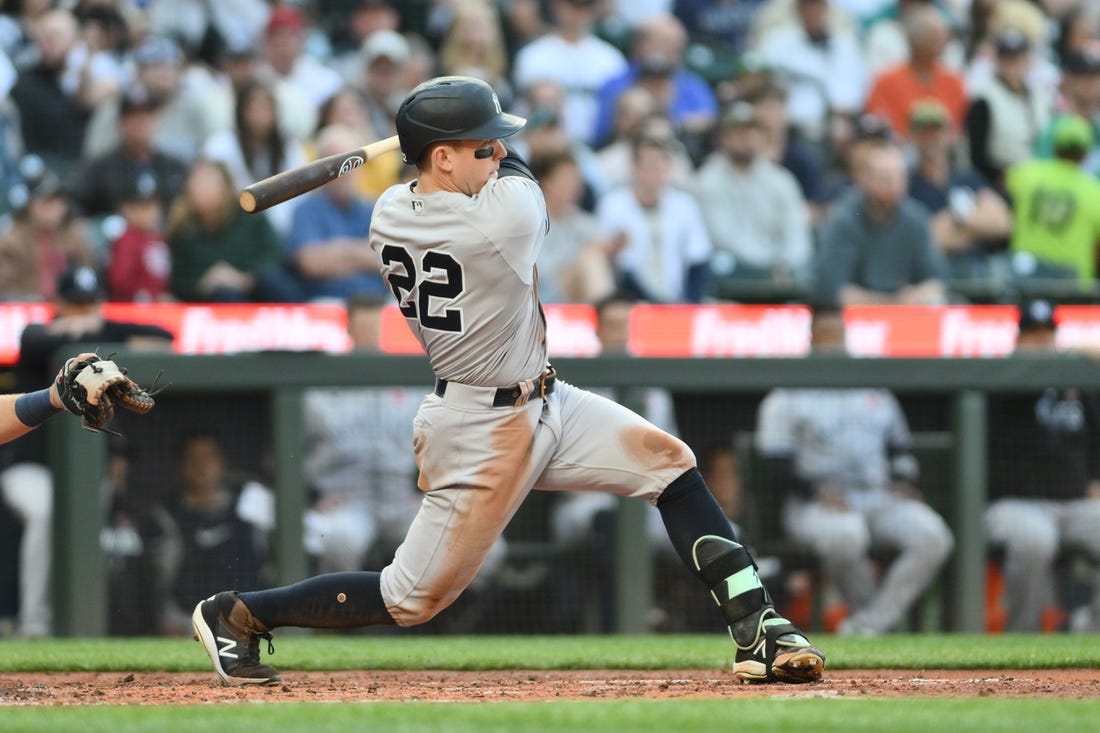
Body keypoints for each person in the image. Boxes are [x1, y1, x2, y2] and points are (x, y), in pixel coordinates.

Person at [192, 75, 825, 686]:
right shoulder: (503, 220)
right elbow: (523, 170)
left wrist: (452, 122)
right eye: (480, 146)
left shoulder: (388, 212)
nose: (496, 154)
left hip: (549, 399)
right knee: (410, 597)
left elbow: (481, 167)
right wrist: (470, 121)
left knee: (672, 465)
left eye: (494, 144)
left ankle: (760, 629)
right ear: (441, 158)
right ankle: (240, 613)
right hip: (479, 428)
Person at [755, 307, 954, 636]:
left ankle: (870, 624)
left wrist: (903, 479)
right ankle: (871, 624)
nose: (834, 343)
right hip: (815, 501)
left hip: (877, 495)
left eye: (839, 334)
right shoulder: (788, 392)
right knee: (846, 535)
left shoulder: (872, 388)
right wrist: (815, 492)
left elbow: (900, 449)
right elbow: (774, 463)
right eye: (826, 335)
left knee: (934, 536)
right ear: (811, 339)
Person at [1, 265, 173, 637]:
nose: (81, 313)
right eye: (74, 304)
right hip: (30, 466)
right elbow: (36, 343)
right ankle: (34, 623)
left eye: (89, 303)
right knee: (46, 510)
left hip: (85, 475)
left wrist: (99, 329)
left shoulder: (105, 330)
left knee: (103, 514)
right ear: (56, 302)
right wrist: (77, 334)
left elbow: (166, 337)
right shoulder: (36, 334)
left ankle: (98, 622)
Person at [985, 299, 1100, 632]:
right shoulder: (1002, 379)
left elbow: (1096, 437)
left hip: (1075, 502)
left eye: (1047, 334)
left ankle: (1092, 632)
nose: (1041, 343)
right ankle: (1023, 636)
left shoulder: (1076, 383)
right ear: (1017, 340)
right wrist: (1072, 355)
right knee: (1035, 538)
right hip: (1016, 503)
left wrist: (1095, 477)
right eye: (1032, 336)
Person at [153, 430, 274, 636]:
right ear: (181, 466)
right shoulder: (166, 514)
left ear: (222, 462)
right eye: (193, 458)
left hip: (251, 620)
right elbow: (160, 584)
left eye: (209, 457)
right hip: (188, 625)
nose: (202, 465)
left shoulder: (250, 502)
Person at [695, 100, 812, 288]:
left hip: (780, 275)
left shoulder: (781, 180)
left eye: (752, 131)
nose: (747, 138)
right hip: (735, 275)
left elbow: (796, 233)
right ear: (724, 137)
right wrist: (769, 265)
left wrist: (787, 264)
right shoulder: (708, 180)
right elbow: (723, 237)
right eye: (739, 132)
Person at [814, 143, 948, 306]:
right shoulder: (843, 219)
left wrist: (915, 297)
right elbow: (832, 289)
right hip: (856, 316)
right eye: (884, 177)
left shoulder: (916, 217)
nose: (891, 184)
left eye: (898, 177)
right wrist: (890, 304)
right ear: (864, 179)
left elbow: (936, 281)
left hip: (907, 312)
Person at [596, 132, 713, 303]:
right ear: (634, 167)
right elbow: (603, 258)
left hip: (677, 300)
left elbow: (698, 257)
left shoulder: (685, 206)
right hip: (627, 298)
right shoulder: (613, 205)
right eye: (648, 164)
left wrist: (689, 304)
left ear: (668, 168)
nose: (654, 171)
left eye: (660, 164)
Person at [906, 99, 1012, 282]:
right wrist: (974, 226)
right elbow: (926, 242)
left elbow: (1001, 223)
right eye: (924, 132)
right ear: (913, 136)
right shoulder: (907, 183)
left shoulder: (968, 178)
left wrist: (955, 220)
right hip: (931, 277)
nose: (932, 139)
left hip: (977, 274)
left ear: (951, 134)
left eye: (938, 131)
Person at [286, 124, 384, 302]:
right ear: (318, 169)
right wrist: (362, 253)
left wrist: (339, 250)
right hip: (325, 303)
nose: (343, 172)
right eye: (334, 164)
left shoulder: (377, 207)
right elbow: (311, 264)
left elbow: (391, 263)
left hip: (375, 304)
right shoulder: (305, 210)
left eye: (350, 164)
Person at [1005, 115, 1100, 283]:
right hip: (1073, 285)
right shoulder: (1093, 190)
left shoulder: (1026, 173)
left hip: (1024, 276)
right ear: (1085, 154)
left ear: (1055, 147)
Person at [965, 27, 1051, 195]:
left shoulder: (1039, 96)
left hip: (1040, 175)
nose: (1014, 65)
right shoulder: (984, 98)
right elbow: (977, 155)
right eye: (1008, 59)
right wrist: (999, 178)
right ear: (998, 60)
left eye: (1020, 59)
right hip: (1001, 178)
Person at [864, 4, 967, 141]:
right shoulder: (885, 81)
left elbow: (958, 128)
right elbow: (877, 126)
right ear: (914, 42)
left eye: (943, 37)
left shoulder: (953, 81)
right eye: (935, 37)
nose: (942, 43)